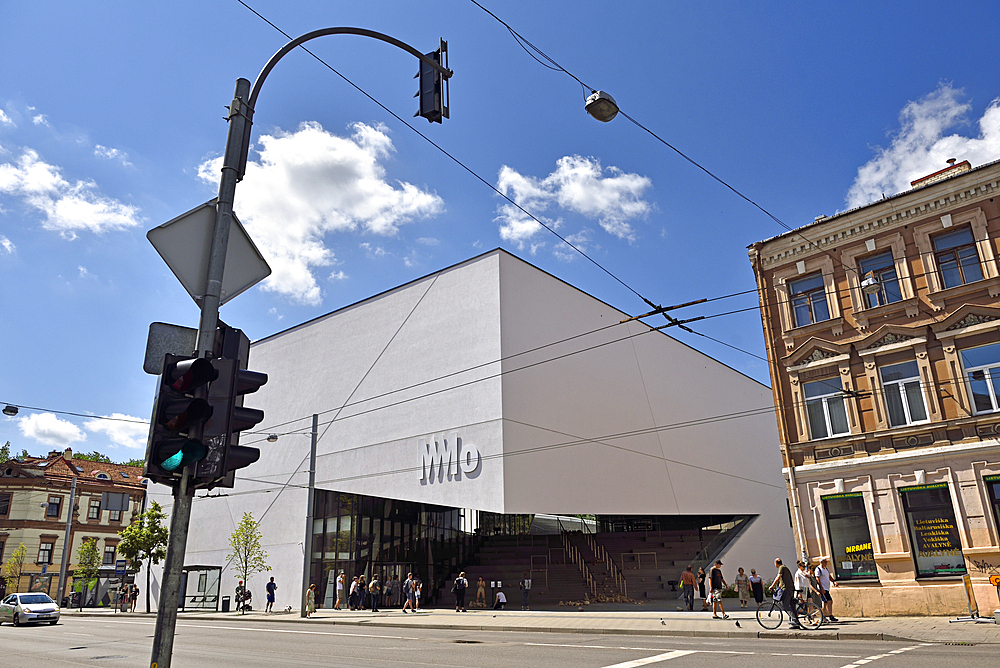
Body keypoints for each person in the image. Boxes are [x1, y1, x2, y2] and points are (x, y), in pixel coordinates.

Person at [769, 558, 799, 629]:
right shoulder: (785, 568)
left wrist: (772, 586)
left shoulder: (781, 567)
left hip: (787, 590)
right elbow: (782, 581)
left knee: (785, 605)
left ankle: (794, 620)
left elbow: (778, 577)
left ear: (776, 563)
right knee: (791, 606)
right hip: (790, 589)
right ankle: (796, 623)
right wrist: (778, 588)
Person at [814, 557, 838, 622]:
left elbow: (829, 577)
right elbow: (817, 579)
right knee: (827, 601)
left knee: (828, 602)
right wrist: (821, 589)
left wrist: (834, 581)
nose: (826, 563)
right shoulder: (818, 569)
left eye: (826, 562)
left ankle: (827, 616)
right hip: (822, 588)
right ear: (821, 562)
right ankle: (825, 616)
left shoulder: (826, 569)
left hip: (826, 588)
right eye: (825, 562)